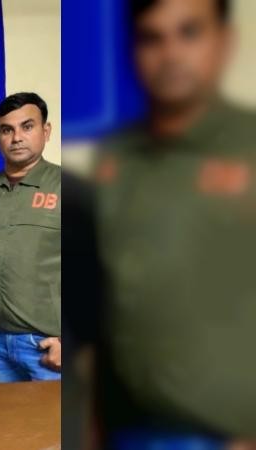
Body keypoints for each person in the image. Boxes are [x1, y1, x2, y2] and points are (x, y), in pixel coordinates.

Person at [91, 0, 256, 447]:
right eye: (152, 38)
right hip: (128, 425)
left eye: (190, 32)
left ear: (224, 42)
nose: (171, 54)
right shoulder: (117, 158)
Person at [0, 92, 62, 383]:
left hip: (47, 344)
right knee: (9, 415)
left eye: (27, 126)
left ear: (46, 131)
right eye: (7, 130)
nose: (17, 138)